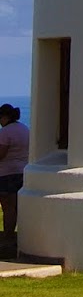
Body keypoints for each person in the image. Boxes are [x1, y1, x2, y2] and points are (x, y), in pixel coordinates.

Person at [0, 105, 29, 253]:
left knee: (8, 208)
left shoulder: (5, 132)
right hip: (22, 171)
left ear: (5, 117)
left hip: (6, 174)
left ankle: (8, 238)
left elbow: (1, 154)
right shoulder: (25, 129)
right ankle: (20, 237)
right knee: (19, 207)